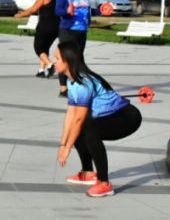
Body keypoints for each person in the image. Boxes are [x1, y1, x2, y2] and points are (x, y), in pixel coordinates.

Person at [56, 41, 142, 197]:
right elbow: (71, 115)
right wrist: (63, 144)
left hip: (126, 117)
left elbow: (78, 119)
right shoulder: (72, 81)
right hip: (110, 115)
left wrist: (67, 148)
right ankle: (88, 173)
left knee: (90, 131)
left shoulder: (83, 83)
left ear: (67, 60)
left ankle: (104, 183)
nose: (53, 62)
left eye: (57, 58)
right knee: (80, 129)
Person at [55, 0, 92, 98]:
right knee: (65, 59)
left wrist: (103, 10)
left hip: (82, 31)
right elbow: (58, 11)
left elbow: (88, 10)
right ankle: (63, 88)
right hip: (68, 31)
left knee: (79, 59)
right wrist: (67, 11)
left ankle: (77, 85)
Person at [15, 0, 60, 78]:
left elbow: (33, 10)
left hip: (45, 26)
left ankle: (50, 65)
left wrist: (19, 15)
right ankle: (41, 71)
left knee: (38, 48)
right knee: (45, 48)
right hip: (57, 26)